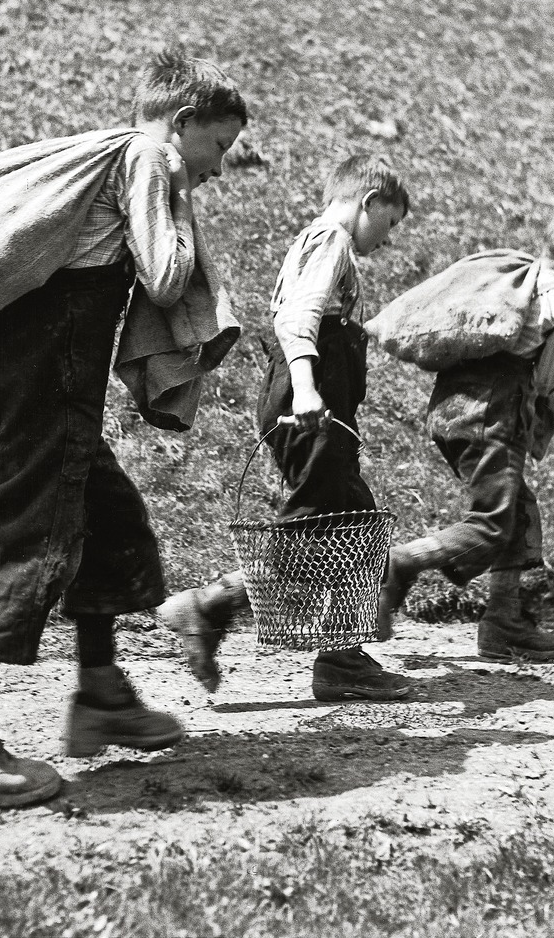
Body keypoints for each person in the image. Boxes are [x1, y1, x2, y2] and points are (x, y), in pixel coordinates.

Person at [0, 49, 248, 811]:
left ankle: (100, 691)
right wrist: (192, 234)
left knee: (111, 520)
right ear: (185, 122)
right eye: (219, 147)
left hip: (16, 377)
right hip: (45, 379)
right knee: (35, 536)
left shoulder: (109, 158)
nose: (219, 167)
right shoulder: (148, 157)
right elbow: (165, 276)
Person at [159, 155, 413, 701]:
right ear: (368, 201)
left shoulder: (322, 242)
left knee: (350, 521)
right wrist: (305, 386)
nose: (388, 240)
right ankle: (209, 606)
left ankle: (341, 657)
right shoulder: (332, 241)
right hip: (309, 394)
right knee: (324, 523)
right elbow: (298, 316)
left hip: (315, 397)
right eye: (389, 223)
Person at [377, 204, 554, 661]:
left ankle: (502, 622)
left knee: (519, 511)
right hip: (494, 413)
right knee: (494, 523)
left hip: (452, 408)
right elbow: (549, 376)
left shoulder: (516, 281)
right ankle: (401, 562)